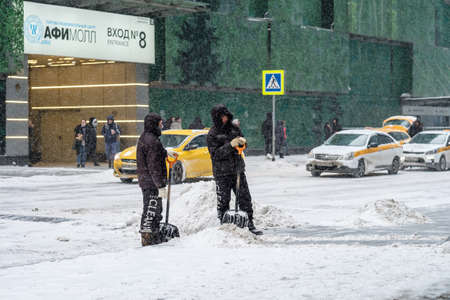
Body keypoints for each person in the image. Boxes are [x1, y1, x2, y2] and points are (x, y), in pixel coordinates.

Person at [207, 104, 262, 235]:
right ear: (217, 117)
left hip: (237, 170)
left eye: (226, 116)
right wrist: (230, 145)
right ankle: (224, 225)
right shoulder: (213, 133)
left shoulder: (234, 129)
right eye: (222, 116)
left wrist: (243, 142)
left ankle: (249, 223)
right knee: (223, 200)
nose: (225, 119)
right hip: (222, 173)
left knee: (244, 198)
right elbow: (215, 155)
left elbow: (243, 143)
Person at [136, 113, 177, 246]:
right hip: (151, 182)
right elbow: (153, 165)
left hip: (147, 180)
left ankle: (153, 235)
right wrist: (160, 186)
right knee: (152, 210)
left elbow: (152, 154)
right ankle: (149, 239)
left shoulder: (147, 137)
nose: (162, 125)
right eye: (160, 123)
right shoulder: (152, 140)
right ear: (155, 124)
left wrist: (165, 152)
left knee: (153, 209)